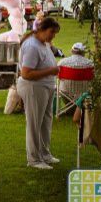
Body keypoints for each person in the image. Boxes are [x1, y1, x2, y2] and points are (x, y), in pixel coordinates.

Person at [16, 17, 62, 170]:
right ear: (42, 29)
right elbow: (26, 73)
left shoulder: (44, 44)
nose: (53, 36)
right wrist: (52, 70)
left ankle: (45, 153)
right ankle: (34, 159)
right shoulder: (31, 46)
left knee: (46, 121)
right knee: (35, 123)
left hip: (45, 87)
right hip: (34, 88)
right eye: (51, 32)